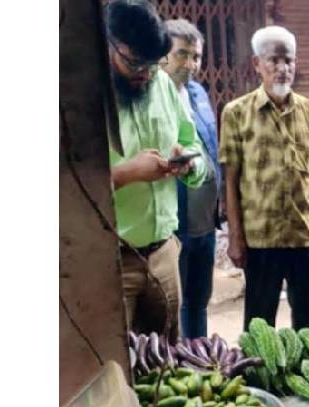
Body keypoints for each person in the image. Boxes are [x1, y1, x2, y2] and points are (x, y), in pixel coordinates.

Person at [219, 26, 309, 330]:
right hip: (260, 238)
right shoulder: (236, 112)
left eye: (289, 60)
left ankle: (303, 373)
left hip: (303, 236)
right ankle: (260, 377)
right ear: (257, 64)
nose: (283, 69)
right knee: (259, 324)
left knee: (304, 323)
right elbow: (230, 180)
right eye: (274, 60)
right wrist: (235, 236)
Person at [105, 0, 207, 339]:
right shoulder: (81, 99)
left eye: (153, 64)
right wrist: (127, 172)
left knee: (167, 361)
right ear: (109, 44)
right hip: (113, 262)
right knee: (117, 368)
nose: (146, 74)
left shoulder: (162, 85)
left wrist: (190, 164)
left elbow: (194, 149)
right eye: (135, 63)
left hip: (164, 254)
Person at [162, 19, 222, 339]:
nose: (190, 63)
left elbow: (209, 149)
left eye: (196, 56)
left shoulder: (198, 93)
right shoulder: (153, 97)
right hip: (174, 223)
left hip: (204, 220)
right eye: (182, 54)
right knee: (175, 302)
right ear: (163, 56)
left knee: (199, 300)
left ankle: (198, 356)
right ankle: (179, 365)